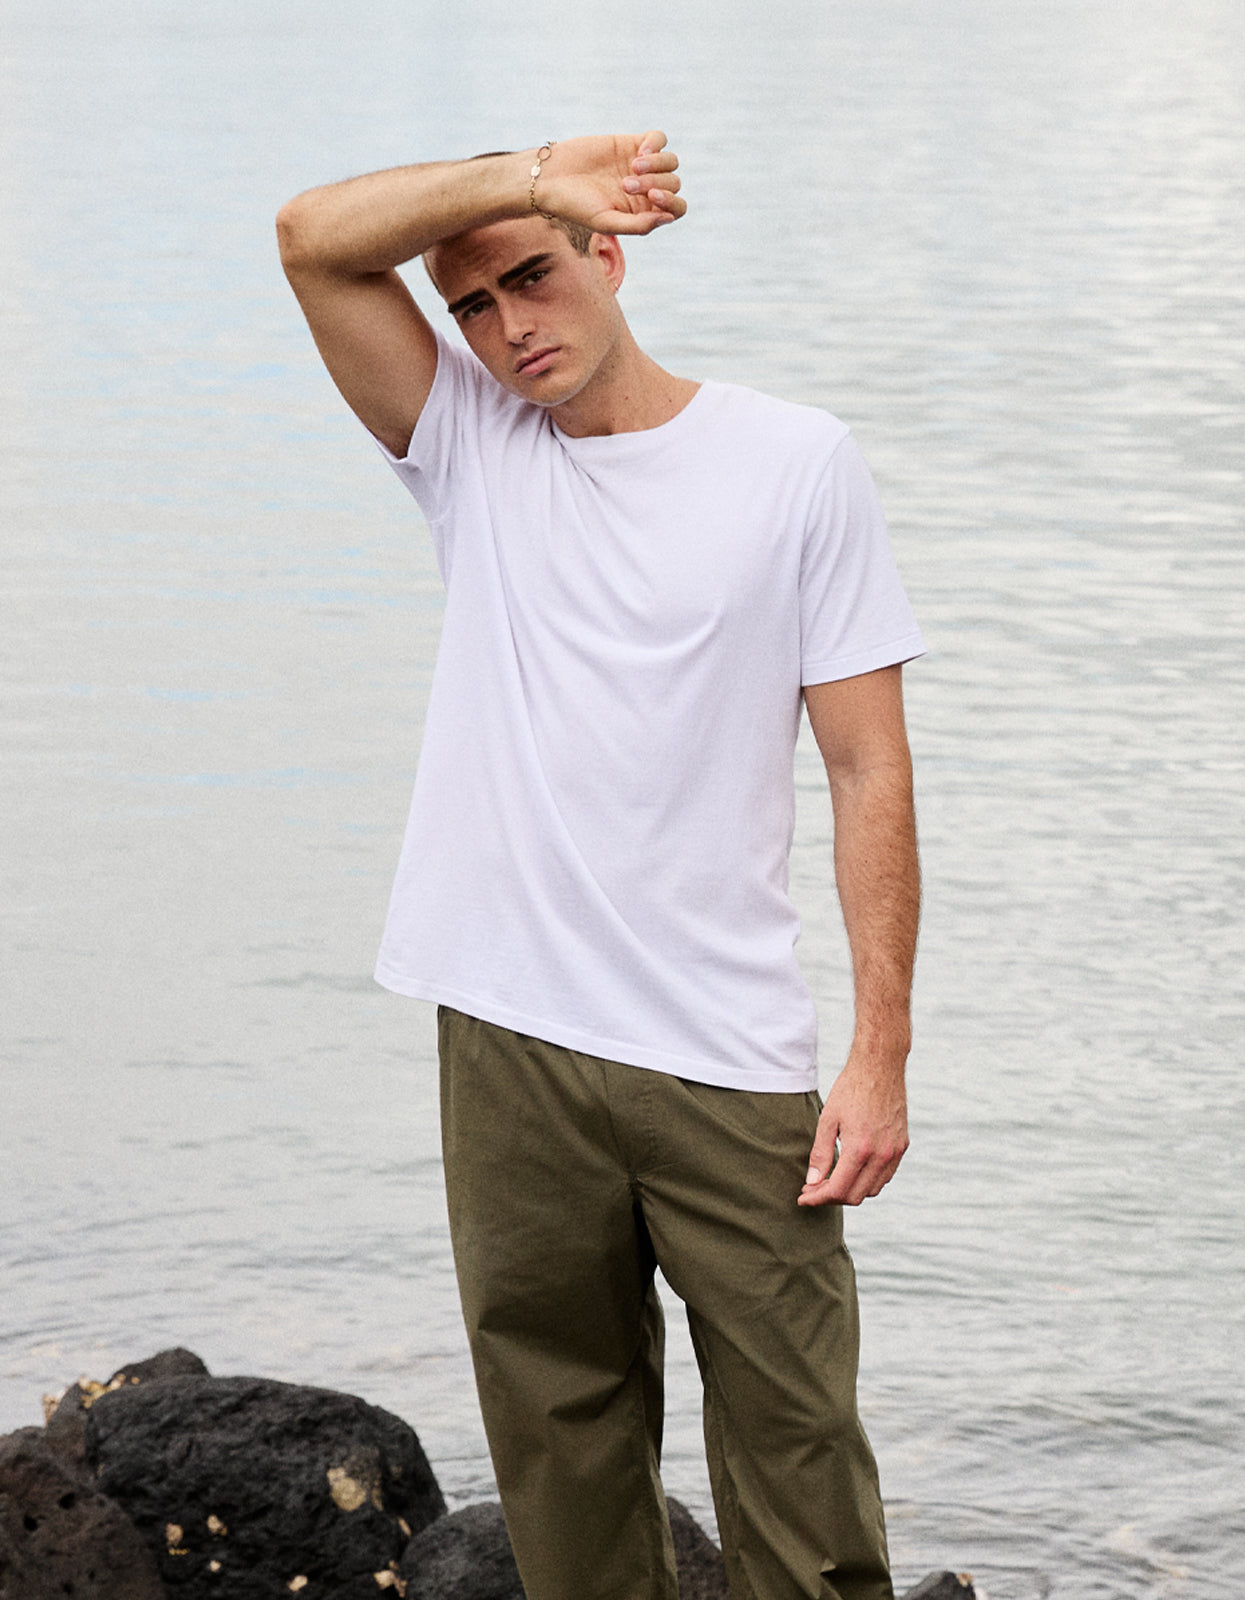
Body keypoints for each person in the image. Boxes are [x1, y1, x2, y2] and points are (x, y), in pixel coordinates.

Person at [277, 131, 923, 1600]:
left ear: (609, 258)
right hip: (510, 1035)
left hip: (725, 1053)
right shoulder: (470, 445)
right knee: (563, 1457)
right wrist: (530, 180)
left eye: (532, 277)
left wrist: (878, 1052)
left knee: (801, 1457)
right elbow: (312, 237)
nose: (510, 328)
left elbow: (866, 770)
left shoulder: (794, 463)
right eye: (473, 306)